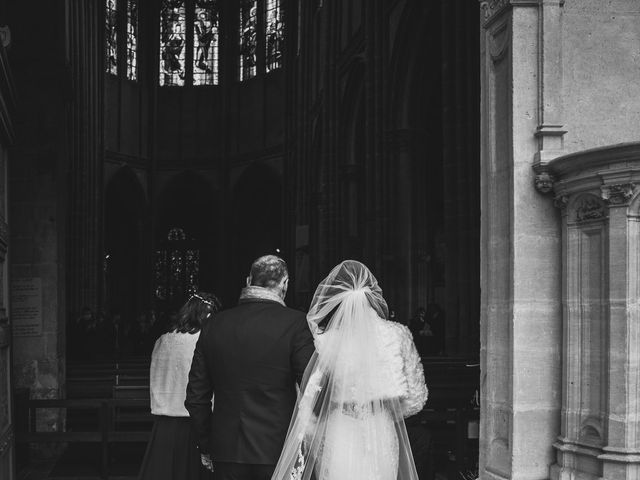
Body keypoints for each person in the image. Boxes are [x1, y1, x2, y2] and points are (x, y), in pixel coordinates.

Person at [271, 260, 429, 480]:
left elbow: (310, 398)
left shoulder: (328, 342)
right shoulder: (397, 335)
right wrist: (384, 411)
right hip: (381, 428)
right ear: (373, 298)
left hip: (341, 429)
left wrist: (316, 431)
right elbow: (417, 398)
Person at [185, 255, 315, 480]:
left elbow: (196, 396)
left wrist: (206, 444)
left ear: (248, 281)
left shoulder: (213, 325)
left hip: (226, 449)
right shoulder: (297, 323)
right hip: (278, 448)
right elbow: (311, 387)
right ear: (284, 284)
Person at [138, 291, 222, 480]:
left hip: (164, 421)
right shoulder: (205, 340)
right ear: (208, 315)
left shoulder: (163, 339)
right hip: (195, 420)